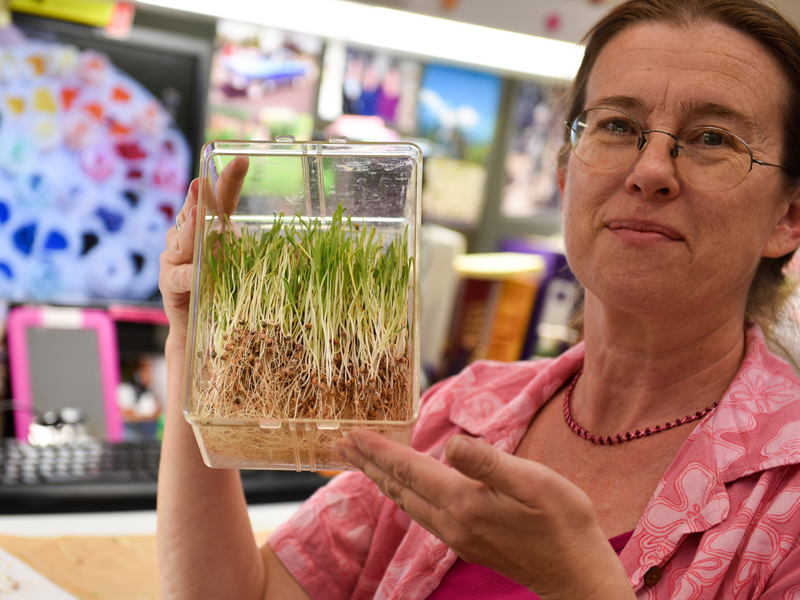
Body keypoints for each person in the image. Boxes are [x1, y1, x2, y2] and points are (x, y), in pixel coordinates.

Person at [156, 0, 800, 597]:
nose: (651, 169)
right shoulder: (458, 416)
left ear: (789, 217)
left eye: (714, 138)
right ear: (563, 172)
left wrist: (578, 584)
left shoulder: (786, 497)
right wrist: (194, 333)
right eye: (617, 124)